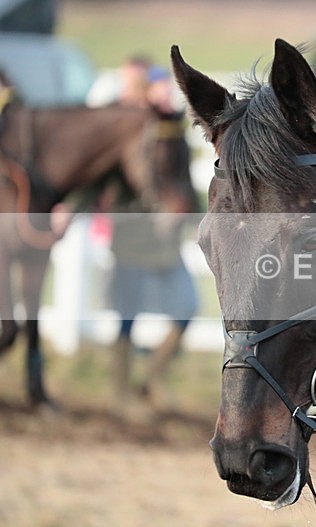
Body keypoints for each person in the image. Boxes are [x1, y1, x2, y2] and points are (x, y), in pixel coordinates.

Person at [108, 60, 198, 416]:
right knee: (127, 316)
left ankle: (152, 380)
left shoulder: (175, 129)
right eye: (158, 85)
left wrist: (187, 210)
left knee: (186, 308)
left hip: (166, 243)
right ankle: (119, 393)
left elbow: (186, 183)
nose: (166, 91)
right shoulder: (129, 128)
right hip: (132, 235)